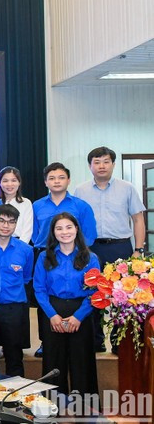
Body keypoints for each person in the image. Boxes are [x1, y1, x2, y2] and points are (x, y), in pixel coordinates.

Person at [74, 146, 146, 353]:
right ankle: (95, 341)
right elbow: (76, 222)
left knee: (121, 297)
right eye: (97, 162)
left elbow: (138, 219)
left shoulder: (127, 188)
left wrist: (138, 250)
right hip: (91, 248)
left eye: (106, 161)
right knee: (92, 295)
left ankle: (118, 342)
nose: (102, 166)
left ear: (113, 164)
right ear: (90, 166)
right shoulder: (81, 190)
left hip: (120, 248)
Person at [31, 162, 97, 357]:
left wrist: (79, 253)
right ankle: (45, 342)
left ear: (68, 180)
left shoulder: (80, 205)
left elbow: (90, 234)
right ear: (45, 182)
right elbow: (34, 234)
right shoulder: (37, 205)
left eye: (61, 177)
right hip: (46, 256)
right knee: (45, 303)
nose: (56, 181)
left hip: (77, 257)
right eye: (51, 178)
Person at [33, 213, 100, 395]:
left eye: (69, 227)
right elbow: (39, 289)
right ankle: (52, 409)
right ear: (53, 232)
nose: (64, 232)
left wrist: (78, 317)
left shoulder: (90, 258)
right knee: (53, 363)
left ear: (76, 229)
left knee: (82, 363)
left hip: (82, 313)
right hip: (52, 312)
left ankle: (86, 410)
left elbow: (95, 291)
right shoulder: (43, 257)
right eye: (59, 228)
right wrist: (52, 315)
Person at [0, 204, 33, 377]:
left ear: (15, 224)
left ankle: (15, 397)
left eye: (11, 222)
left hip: (14, 309)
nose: (6, 226)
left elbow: (27, 277)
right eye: (1, 221)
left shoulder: (26, 250)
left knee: (14, 356)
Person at [0, 166, 33, 244]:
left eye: (14, 180)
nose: (9, 184)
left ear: (19, 182)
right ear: (0, 183)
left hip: (19, 244)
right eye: (5, 181)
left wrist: (19, 249)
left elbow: (27, 231)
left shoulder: (26, 203)